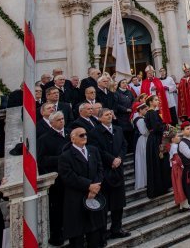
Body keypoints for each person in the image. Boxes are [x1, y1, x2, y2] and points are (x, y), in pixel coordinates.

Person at [57, 127, 106, 248]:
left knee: (95, 233)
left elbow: (100, 169)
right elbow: (68, 176)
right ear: (72, 138)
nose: (84, 137)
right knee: (77, 236)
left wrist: (95, 187)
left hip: (94, 195)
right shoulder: (65, 156)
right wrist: (89, 186)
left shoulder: (93, 150)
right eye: (81, 135)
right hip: (77, 198)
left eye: (85, 134)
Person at [90, 108, 130, 240]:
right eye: (106, 115)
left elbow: (124, 145)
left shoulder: (118, 129)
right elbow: (98, 150)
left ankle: (116, 228)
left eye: (110, 114)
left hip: (118, 170)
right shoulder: (95, 132)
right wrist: (111, 160)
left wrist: (119, 158)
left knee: (118, 203)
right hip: (105, 171)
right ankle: (103, 232)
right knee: (104, 204)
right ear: (100, 118)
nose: (109, 116)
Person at [38, 111, 67, 246]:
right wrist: (61, 159)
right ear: (51, 123)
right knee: (57, 209)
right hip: (57, 180)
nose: (62, 121)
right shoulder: (44, 138)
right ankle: (57, 235)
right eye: (58, 120)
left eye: (62, 119)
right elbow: (42, 160)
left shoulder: (70, 134)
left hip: (71, 178)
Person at [145, 96, 172, 198]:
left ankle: (163, 186)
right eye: (156, 100)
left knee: (161, 162)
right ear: (151, 102)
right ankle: (160, 188)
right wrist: (166, 126)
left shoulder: (152, 113)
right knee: (159, 162)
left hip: (156, 139)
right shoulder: (151, 113)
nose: (158, 101)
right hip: (155, 140)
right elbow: (156, 127)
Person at [167, 128, 188, 212]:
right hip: (178, 169)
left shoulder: (171, 146)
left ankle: (181, 205)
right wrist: (183, 166)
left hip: (174, 169)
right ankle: (185, 205)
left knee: (178, 186)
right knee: (181, 185)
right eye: (177, 136)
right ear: (172, 139)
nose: (179, 137)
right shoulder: (175, 146)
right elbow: (178, 159)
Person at [114, 79, 135, 152]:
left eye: (126, 83)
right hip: (122, 117)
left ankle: (132, 148)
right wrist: (125, 109)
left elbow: (133, 100)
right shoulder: (116, 93)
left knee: (131, 133)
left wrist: (132, 108)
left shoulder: (129, 92)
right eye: (123, 82)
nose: (125, 84)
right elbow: (116, 105)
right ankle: (126, 150)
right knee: (124, 134)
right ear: (119, 84)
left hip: (130, 116)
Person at [132, 104, 149, 191]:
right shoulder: (140, 120)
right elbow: (144, 132)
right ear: (140, 110)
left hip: (144, 139)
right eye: (145, 110)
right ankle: (145, 180)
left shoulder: (141, 119)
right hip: (143, 140)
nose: (147, 111)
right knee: (144, 159)